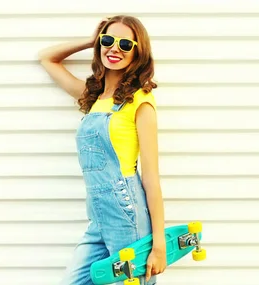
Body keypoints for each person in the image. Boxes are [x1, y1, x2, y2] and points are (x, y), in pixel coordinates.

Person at [38, 15, 165, 285]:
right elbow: (48, 58)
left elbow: (151, 178)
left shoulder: (140, 101)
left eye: (125, 44)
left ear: (138, 53)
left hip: (126, 210)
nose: (115, 48)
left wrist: (159, 246)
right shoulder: (92, 97)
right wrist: (91, 41)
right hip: (97, 215)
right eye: (108, 41)